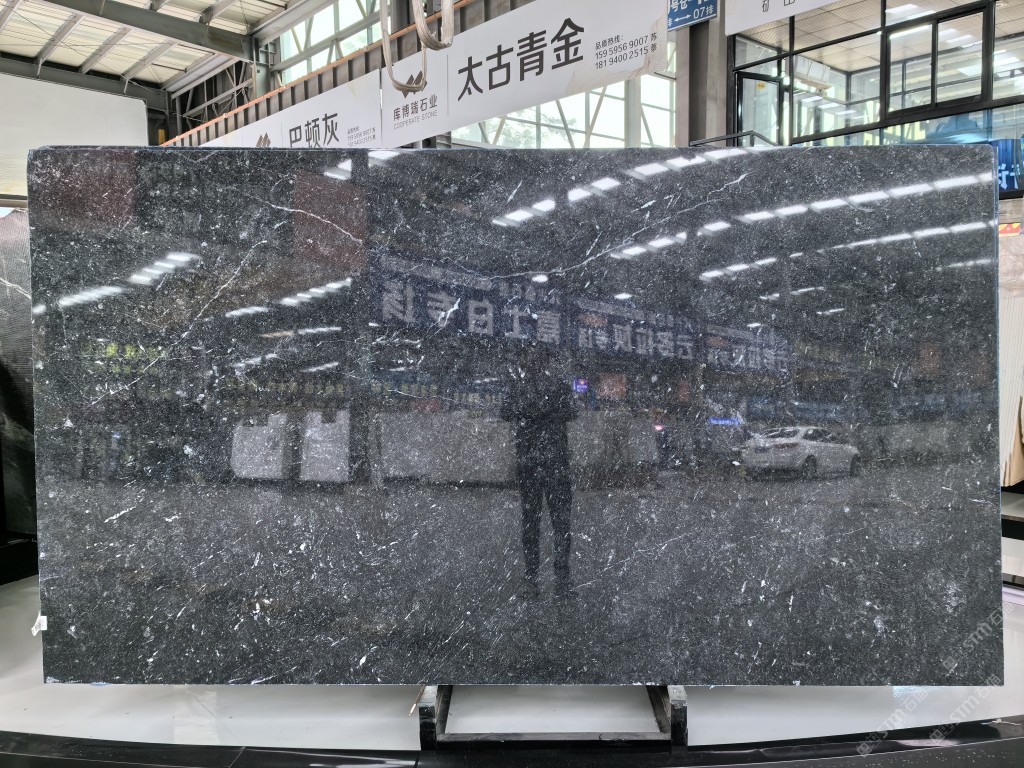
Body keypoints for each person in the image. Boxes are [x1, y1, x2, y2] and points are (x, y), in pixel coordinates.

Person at [499, 343, 577, 597]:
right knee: (532, 522)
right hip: (533, 463)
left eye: (538, 357)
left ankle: (561, 575)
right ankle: (532, 575)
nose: (533, 362)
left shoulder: (557, 386)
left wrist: (535, 412)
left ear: (545, 361)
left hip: (552, 462)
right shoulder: (520, 387)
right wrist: (539, 411)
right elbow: (505, 411)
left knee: (559, 522)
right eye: (529, 357)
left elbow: (571, 411)